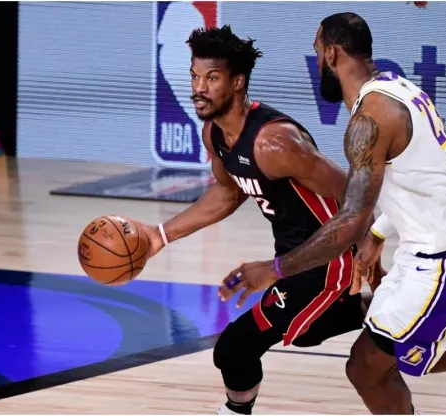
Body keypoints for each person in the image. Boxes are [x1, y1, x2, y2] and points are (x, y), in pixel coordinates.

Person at [219, 12, 446, 414]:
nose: (316, 62)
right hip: (436, 250)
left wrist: (275, 269)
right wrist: (380, 234)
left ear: (332, 54)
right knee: (378, 357)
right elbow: (422, 179)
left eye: (317, 53)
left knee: (369, 366)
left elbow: (350, 221)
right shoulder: (398, 88)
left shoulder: (369, 118)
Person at [138, 25, 374, 415]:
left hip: (328, 257)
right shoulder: (215, 133)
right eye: (195, 77)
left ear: (237, 82)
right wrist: (160, 235)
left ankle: (235, 411)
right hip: (295, 256)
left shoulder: (274, 143)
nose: (199, 87)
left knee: (236, 346)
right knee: (307, 330)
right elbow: (227, 193)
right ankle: (392, 307)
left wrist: (369, 245)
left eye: (212, 78)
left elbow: (355, 189)